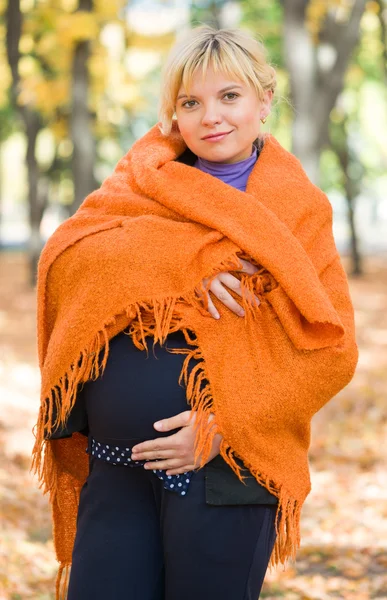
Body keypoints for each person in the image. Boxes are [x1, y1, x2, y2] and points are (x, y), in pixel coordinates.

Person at [32, 25, 358, 600]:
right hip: (115, 468)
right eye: (191, 101)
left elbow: (331, 351)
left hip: (223, 474)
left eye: (229, 96)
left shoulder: (298, 213)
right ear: (173, 115)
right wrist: (187, 260)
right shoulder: (137, 186)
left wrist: (222, 428)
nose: (211, 116)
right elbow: (69, 258)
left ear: (264, 100)